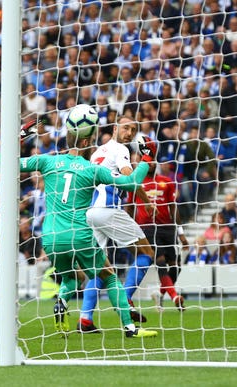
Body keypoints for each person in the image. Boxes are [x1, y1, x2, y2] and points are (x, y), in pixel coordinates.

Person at [19, 118, 158, 338]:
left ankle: (63, 302)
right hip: (80, 234)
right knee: (109, 275)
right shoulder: (92, 170)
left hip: (51, 238)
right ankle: (130, 328)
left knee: (72, 278)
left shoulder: (47, 161)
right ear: (85, 143)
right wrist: (147, 158)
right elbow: (130, 183)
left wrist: (22, 135)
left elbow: (12, 163)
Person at [79, 118, 161, 333]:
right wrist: (146, 199)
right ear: (115, 129)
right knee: (147, 252)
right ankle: (125, 299)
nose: (129, 132)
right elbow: (129, 178)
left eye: (133, 130)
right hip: (108, 210)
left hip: (90, 212)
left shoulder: (98, 152)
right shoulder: (120, 149)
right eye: (125, 128)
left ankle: (85, 318)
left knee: (99, 267)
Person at [127, 152, 189, 310]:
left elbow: (173, 208)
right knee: (160, 261)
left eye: (153, 161)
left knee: (175, 267)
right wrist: (130, 231)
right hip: (147, 228)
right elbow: (129, 208)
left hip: (167, 228)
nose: (151, 164)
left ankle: (160, 294)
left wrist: (181, 233)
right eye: (148, 161)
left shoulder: (167, 182)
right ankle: (175, 297)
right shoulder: (135, 183)